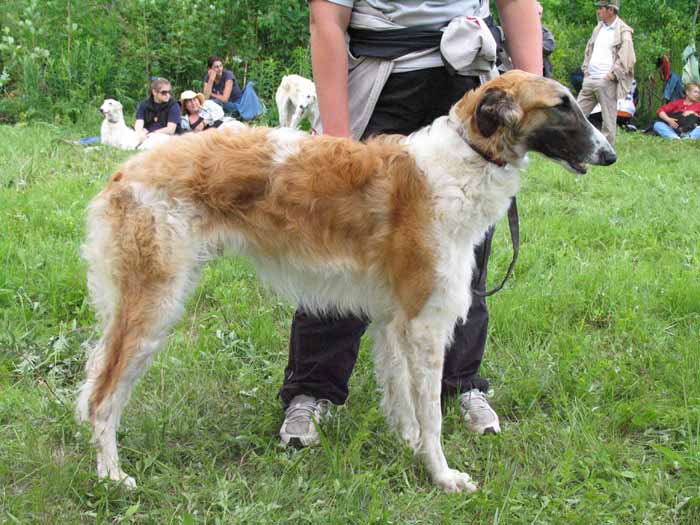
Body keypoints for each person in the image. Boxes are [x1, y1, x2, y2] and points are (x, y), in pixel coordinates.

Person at [278, 0, 543, 448]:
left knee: (461, 251)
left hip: (468, 82)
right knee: (343, 246)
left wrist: (530, 96)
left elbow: (517, 4)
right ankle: (313, 387)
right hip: (381, 84)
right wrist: (339, 141)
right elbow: (327, 18)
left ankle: (460, 380)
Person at [576, 0, 635, 147]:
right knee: (576, 115)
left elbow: (627, 57)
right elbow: (589, 50)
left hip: (606, 82)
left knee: (608, 121)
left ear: (611, 10)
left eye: (601, 8)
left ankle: (606, 152)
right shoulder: (599, 27)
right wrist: (586, 71)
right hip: (590, 80)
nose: (598, 11)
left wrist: (611, 75)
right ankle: (573, 147)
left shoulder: (623, 31)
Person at [134, 77, 181, 143]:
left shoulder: (173, 105)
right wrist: (140, 133)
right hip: (146, 136)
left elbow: (171, 129)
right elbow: (139, 123)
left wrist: (152, 133)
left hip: (168, 138)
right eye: (164, 92)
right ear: (154, 92)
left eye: (169, 92)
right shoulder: (144, 104)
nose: (168, 95)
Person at [536, 2, 556, 78]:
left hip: (543, 71)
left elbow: (550, 46)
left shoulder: (544, 31)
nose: (538, 15)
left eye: (539, 13)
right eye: (536, 13)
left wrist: (532, 45)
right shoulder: (518, 27)